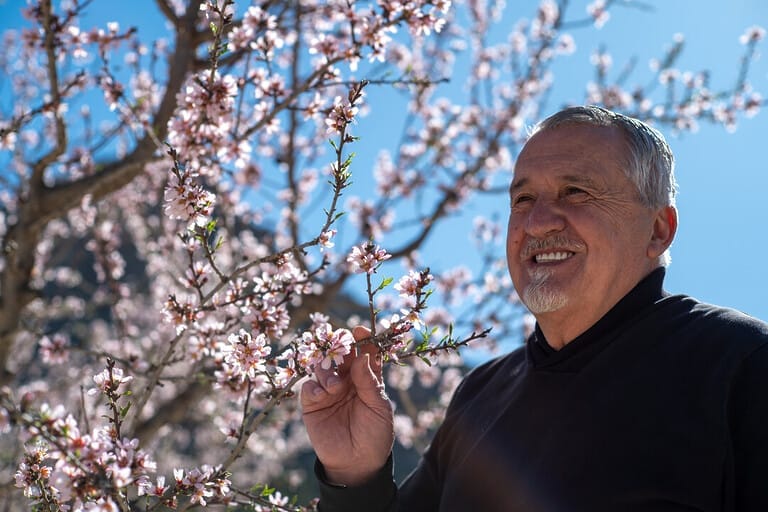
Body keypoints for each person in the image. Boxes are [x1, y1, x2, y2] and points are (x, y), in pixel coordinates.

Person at [300, 105, 768, 511]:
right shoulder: (480, 396)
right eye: (523, 199)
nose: (538, 222)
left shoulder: (740, 364)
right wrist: (354, 475)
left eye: (576, 192)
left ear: (658, 230)